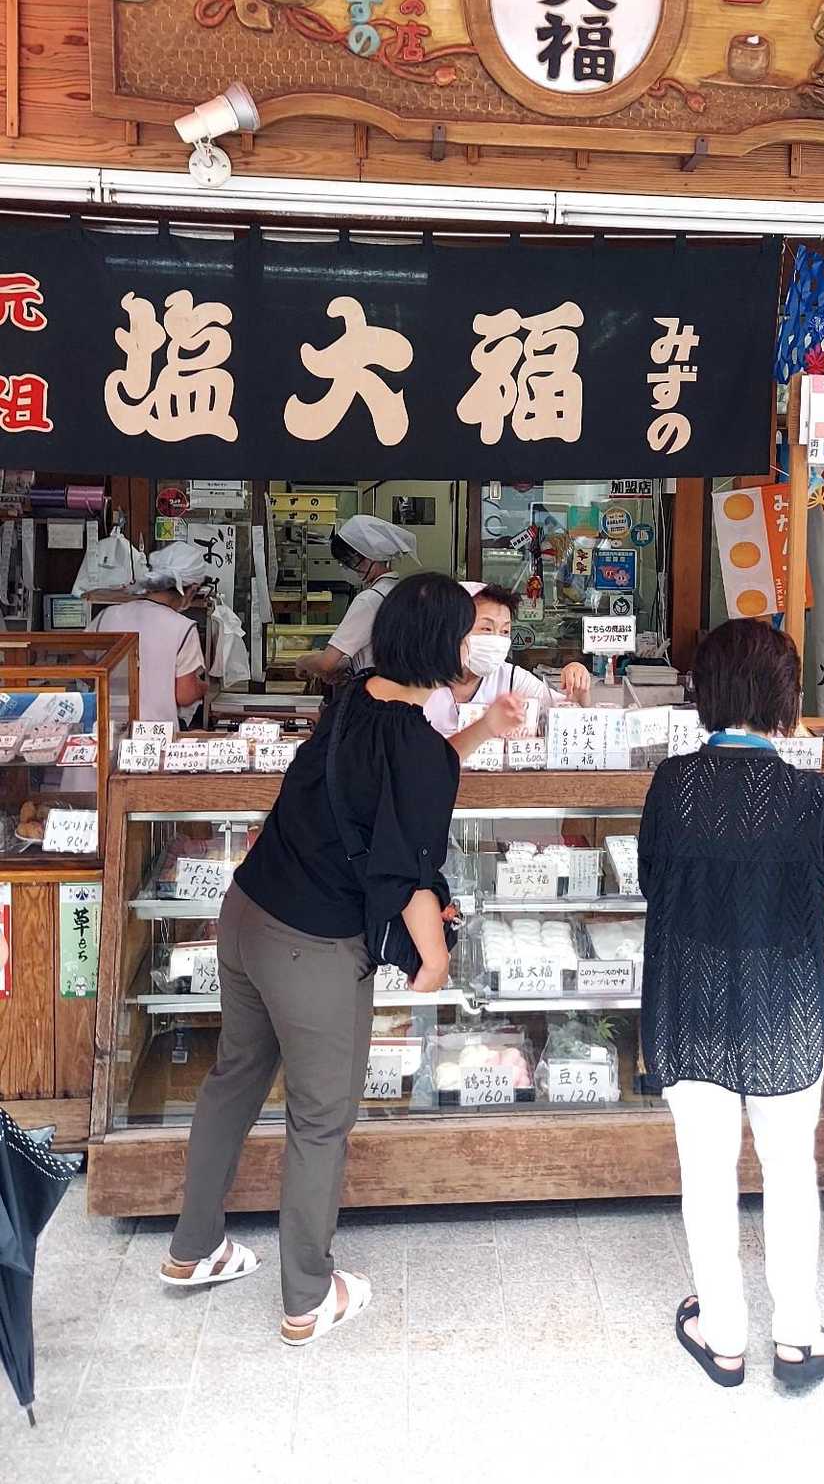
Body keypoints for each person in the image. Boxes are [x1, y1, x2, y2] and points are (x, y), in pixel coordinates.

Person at [160, 572, 522, 1344]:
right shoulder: (413, 744)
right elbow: (405, 870)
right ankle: (307, 1297)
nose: (480, 644)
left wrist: (483, 729)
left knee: (234, 1079)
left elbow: (408, 777)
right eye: (471, 632)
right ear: (444, 645)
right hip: (312, 947)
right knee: (321, 1120)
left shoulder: (356, 696)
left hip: (248, 912)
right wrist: (434, 961)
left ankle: (192, 1250)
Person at [639, 619, 824, 1390]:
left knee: (706, 1173)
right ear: (784, 699)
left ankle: (722, 1338)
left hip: (689, 1009)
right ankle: (797, 1337)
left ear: (706, 694)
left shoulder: (671, 784)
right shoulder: (809, 796)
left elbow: (653, 883)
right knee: (789, 1171)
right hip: (783, 1012)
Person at [423, 581, 592, 742]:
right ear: (452, 629)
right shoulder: (421, 679)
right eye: (486, 628)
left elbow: (568, 714)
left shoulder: (511, 678)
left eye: (505, 631)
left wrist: (578, 689)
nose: (496, 639)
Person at [93, 541, 208, 727]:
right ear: (192, 590)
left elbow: (81, 666)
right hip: (155, 733)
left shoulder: (108, 615)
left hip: (107, 728)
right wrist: (203, 687)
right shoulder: (183, 628)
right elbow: (185, 695)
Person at [294, 516, 416, 684]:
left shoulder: (369, 600)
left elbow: (325, 663)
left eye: (350, 561)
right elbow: (377, 652)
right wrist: (348, 664)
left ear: (369, 557)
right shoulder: (399, 590)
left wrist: (302, 661)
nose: (348, 568)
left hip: (374, 692)